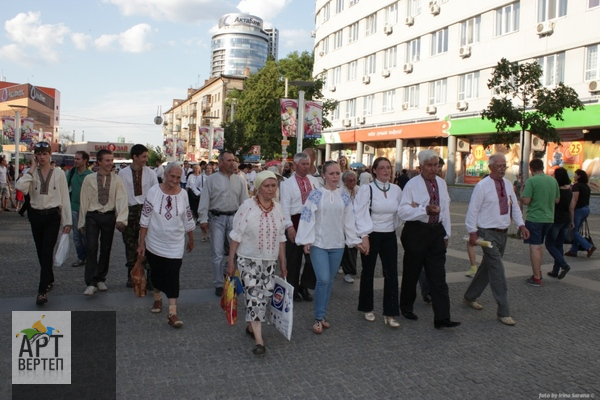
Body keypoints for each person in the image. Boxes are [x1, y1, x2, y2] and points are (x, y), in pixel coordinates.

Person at [463, 154, 529, 326]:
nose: (502, 168)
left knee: (487, 268)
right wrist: (472, 231)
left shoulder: (507, 185)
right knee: (497, 271)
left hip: (503, 233)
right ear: (490, 167)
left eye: (504, 165)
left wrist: (521, 225)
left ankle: (470, 296)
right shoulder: (482, 186)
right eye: (499, 165)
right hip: (487, 234)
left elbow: (514, 207)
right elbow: (473, 210)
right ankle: (503, 311)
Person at [296, 162, 362, 334]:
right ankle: (318, 318)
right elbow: (307, 216)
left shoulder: (344, 196)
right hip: (319, 244)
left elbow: (349, 219)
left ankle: (322, 315)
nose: (335, 176)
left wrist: (354, 239)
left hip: (338, 245)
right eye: (331, 173)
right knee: (323, 279)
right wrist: (306, 240)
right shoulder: (315, 194)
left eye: (337, 173)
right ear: (323, 175)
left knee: (329, 281)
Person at [398, 149, 460, 329]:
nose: (434, 169)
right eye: (430, 165)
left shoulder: (441, 183)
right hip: (416, 232)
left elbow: (446, 210)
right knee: (412, 271)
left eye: (437, 165)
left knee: (438, 275)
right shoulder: (412, 185)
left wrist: (446, 234)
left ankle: (442, 317)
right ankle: (406, 306)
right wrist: (423, 210)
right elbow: (403, 211)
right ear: (421, 167)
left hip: (436, 232)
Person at [227, 171, 287, 355]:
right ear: (258, 188)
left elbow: (281, 237)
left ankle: (252, 326)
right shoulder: (247, 207)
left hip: (269, 260)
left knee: (266, 295)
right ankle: (259, 341)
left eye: (273, 185)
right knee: (255, 296)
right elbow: (236, 235)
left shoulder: (278, 208)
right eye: (266, 186)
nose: (270, 189)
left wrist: (283, 262)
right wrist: (231, 261)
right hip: (248, 259)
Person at [137, 163, 195, 328]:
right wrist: (141, 243)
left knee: (173, 275)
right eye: (172, 176)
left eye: (178, 177)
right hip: (155, 241)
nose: (175, 180)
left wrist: (191, 238)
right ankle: (157, 298)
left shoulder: (183, 194)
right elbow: (145, 218)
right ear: (165, 175)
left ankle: (172, 312)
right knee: (156, 274)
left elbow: (188, 217)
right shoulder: (154, 191)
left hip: (175, 243)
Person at [16, 142, 72, 305]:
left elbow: (64, 197)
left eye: (45, 154)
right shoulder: (30, 173)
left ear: (50, 155)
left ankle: (42, 291)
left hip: (52, 216)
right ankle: (49, 277)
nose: (41, 157)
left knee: (47, 251)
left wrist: (67, 221)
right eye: (38, 154)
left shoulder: (59, 174)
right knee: (41, 251)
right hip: (35, 215)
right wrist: (32, 169)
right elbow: (20, 187)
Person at [354, 157, 403, 327]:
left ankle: (390, 312)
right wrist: (364, 236)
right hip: (372, 234)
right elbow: (359, 212)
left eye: (388, 168)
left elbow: (400, 212)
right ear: (374, 170)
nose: (386, 171)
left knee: (391, 273)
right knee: (368, 272)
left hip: (389, 235)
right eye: (381, 168)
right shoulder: (367, 189)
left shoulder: (396, 189)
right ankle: (367, 307)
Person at [198, 150, 249, 297]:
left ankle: (234, 277)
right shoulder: (211, 180)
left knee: (238, 251)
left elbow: (245, 201)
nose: (232, 162)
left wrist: (246, 220)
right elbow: (205, 200)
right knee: (217, 252)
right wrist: (203, 219)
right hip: (217, 218)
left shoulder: (240, 180)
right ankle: (219, 283)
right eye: (228, 160)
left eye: (233, 160)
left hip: (234, 218)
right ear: (220, 163)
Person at [79, 149, 129, 295]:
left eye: (111, 160)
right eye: (107, 160)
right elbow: (84, 200)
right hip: (92, 216)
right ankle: (91, 281)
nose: (110, 163)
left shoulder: (116, 179)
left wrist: (121, 219)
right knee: (91, 247)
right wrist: (81, 221)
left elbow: (121, 198)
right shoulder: (89, 179)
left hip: (108, 216)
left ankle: (101, 278)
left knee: (106, 248)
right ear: (99, 162)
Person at [280, 152, 319, 302]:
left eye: (308, 164)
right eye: (303, 164)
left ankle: (305, 285)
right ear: (295, 165)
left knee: (313, 258)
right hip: (295, 221)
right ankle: (293, 289)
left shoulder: (314, 181)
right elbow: (285, 207)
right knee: (293, 259)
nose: (306, 167)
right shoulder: (287, 184)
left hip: (311, 222)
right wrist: (289, 227)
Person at [118, 144, 159, 288]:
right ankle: (132, 273)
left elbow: (156, 194)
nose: (146, 160)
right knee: (130, 244)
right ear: (134, 157)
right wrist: (119, 217)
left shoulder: (151, 173)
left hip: (146, 211)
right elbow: (119, 196)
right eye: (144, 157)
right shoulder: (122, 173)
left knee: (148, 243)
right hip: (129, 211)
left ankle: (149, 275)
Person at [521, 158, 560, 287]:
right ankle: (539, 271)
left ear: (531, 169)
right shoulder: (553, 180)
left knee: (534, 247)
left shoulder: (531, 181)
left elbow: (526, 200)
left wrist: (522, 193)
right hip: (549, 218)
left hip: (535, 218)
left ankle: (536, 277)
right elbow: (557, 200)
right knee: (539, 246)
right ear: (542, 167)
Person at [67, 151, 93, 267]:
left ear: (85, 160)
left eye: (78, 159)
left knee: (86, 235)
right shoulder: (72, 172)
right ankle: (81, 257)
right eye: (75, 158)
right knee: (76, 235)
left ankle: (90, 257)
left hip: (87, 209)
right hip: (74, 207)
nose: (75, 161)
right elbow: (65, 187)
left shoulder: (91, 175)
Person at [546, 167, 573, 279]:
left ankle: (564, 265)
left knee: (549, 244)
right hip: (566, 220)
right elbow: (571, 207)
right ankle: (555, 270)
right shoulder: (569, 190)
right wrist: (572, 221)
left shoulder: (555, 189)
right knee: (559, 245)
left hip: (556, 220)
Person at [565, 169, 596, 258]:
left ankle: (589, 247)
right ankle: (573, 251)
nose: (574, 176)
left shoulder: (577, 186)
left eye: (575, 175)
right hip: (586, 209)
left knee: (573, 230)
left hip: (578, 210)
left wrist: (571, 209)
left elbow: (575, 199)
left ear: (579, 176)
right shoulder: (586, 186)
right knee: (576, 230)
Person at [340, 170, 359, 283]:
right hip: (343, 224)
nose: (353, 182)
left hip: (355, 224)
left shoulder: (359, 190)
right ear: (345, 182)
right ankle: (343, 266)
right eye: (350, 181)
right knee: (344, 248)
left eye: (354, 180)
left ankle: (349, 271)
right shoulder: (341, 192)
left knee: (351, 248)